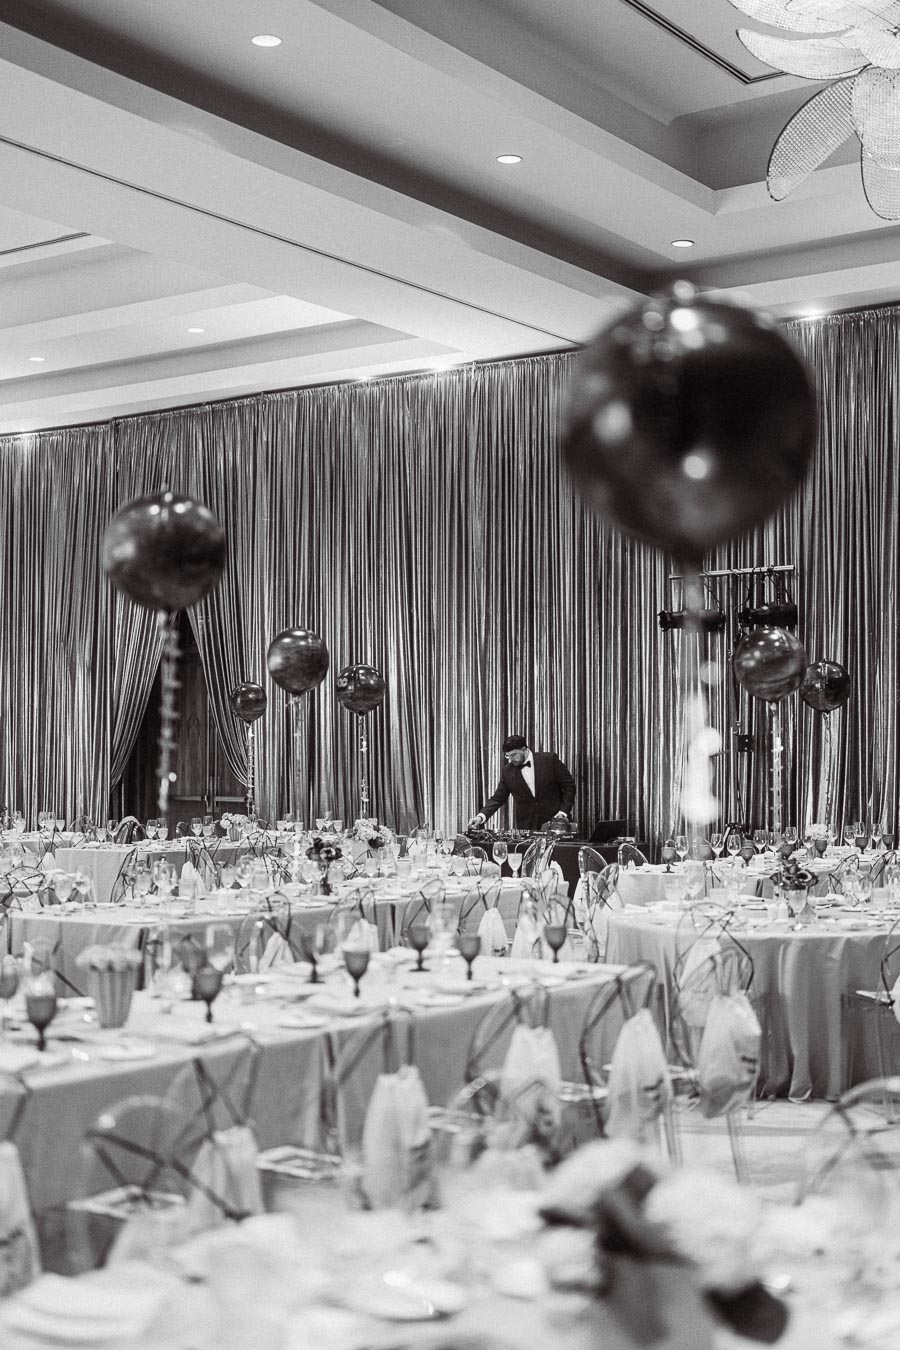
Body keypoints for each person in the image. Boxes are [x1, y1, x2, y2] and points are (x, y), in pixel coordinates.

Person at [467, 734, 576, 832]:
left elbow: (569, 786)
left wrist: (563, 812)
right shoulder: (507, 771)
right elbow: (498, 798)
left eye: (513, 755)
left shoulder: (549, 760)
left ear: (524, 749)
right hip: (527, 827)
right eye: (507, 756)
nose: (510, 759)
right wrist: (481, 816)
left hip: (556, 824)